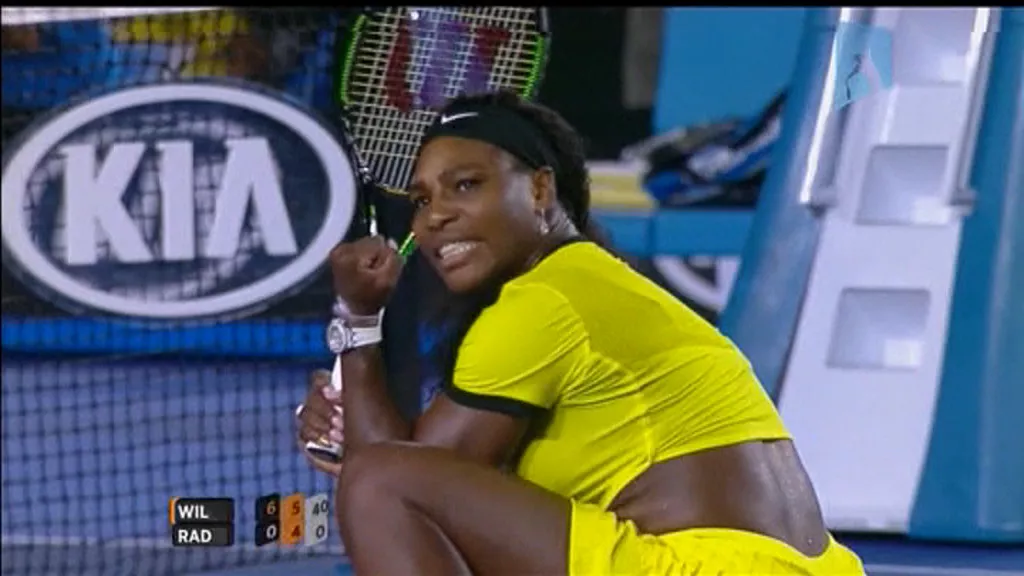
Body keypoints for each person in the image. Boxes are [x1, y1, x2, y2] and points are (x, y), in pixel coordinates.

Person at [295, 90, 865, 575]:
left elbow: (395, 483)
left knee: (380, 481)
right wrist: (359, 419)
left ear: (540, 191)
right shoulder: (589, 281)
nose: (434, 216)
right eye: (421, 200)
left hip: (707, 565)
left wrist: (359, 319)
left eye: (465, 185)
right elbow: (430, 478)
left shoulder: (543, 302)